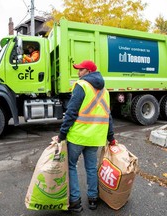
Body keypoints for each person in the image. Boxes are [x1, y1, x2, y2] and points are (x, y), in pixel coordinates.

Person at [57, 60, 115, 213]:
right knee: (91, 167)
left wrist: (62, 134)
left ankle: (75, 202)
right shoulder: (105, 91)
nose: (78, 73)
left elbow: (71, 112)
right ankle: (93, 199)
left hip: (78, 136)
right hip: (95, 137)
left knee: (71, 166)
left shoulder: (81, 86)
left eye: (81, 70)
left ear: (88, 72)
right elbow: (108, 117)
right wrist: (111, 137)